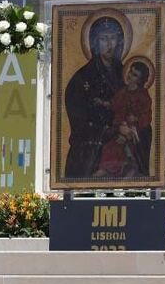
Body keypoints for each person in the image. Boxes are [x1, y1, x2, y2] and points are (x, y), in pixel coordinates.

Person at [63, 16, 126, 178]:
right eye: (104, 39)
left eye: (113, 38)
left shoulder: (127, 74)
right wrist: (111, 130)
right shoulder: (82, 78)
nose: (109, 44)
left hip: (121, 148)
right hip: (90, 152)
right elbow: (80, 124)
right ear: (95, 43)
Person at [95, 60, 153, 178]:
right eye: (130, 72)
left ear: (140, 80)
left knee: (120, 146)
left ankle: (127, 168)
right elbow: (113, 104)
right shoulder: (123, 92)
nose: (130, 75)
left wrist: (135, 120)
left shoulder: (143, 95)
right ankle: (108, 169)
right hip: (120, 126)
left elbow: (146, 115)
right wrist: (102, 103)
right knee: (109, 146)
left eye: (135, 75)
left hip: (136, 130)